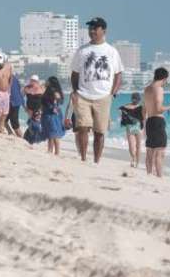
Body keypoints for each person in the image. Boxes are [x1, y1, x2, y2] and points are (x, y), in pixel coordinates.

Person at [69, 17, 124, 163]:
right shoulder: (82, 51)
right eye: (90, 28)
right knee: (82, 128)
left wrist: (113, 94)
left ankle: (97, 161)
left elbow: (118, 74)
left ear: (103, 31)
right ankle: (83, 158)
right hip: (83, 95)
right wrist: (75, 91)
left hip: (103, 97)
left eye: (95, 28)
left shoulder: (111, 51)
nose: (92, 31)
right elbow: (75, 73)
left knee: (99, 132)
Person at [142, 67, 170, 177]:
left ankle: (149, 174)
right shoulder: (159, 89)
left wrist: (144, 125)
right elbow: (158, 108)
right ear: (164, 78)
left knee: (150, 150)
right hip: (158, 120)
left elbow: (144, 109)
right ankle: (159, 176)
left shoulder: (147, 89)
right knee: (159, 151)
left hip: (149, 120)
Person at [41, 76, 66, 155]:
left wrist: (54, 107)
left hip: (51, 115)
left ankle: (55, 152)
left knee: (53, 134)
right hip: (52, 114)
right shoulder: (53, 90)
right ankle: (51, 150)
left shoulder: (52, 91)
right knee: (51, 134)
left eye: (48, 81)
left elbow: (55, 101)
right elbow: (59, 101)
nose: (46, 82)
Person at [119, 93, 144, 168]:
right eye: (134, 99)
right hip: (130, 128)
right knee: (131, 146)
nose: (136, 100)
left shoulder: (142, 107)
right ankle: (133, 158)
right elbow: (120, 110)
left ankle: (137, 163)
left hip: (139, 128)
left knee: (138, 146)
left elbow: (145, 117)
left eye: (137, 99)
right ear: (132, 99)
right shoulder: (126, 106)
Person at [6, 64, 25, 136]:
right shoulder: (15, 78)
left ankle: (20, 137)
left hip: (13, 102)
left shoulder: (9, 78)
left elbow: (16, 91)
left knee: (14, 123)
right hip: (15, 102)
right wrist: (23, 104)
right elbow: (19, 91)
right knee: (6, 120)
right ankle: (11, 133)